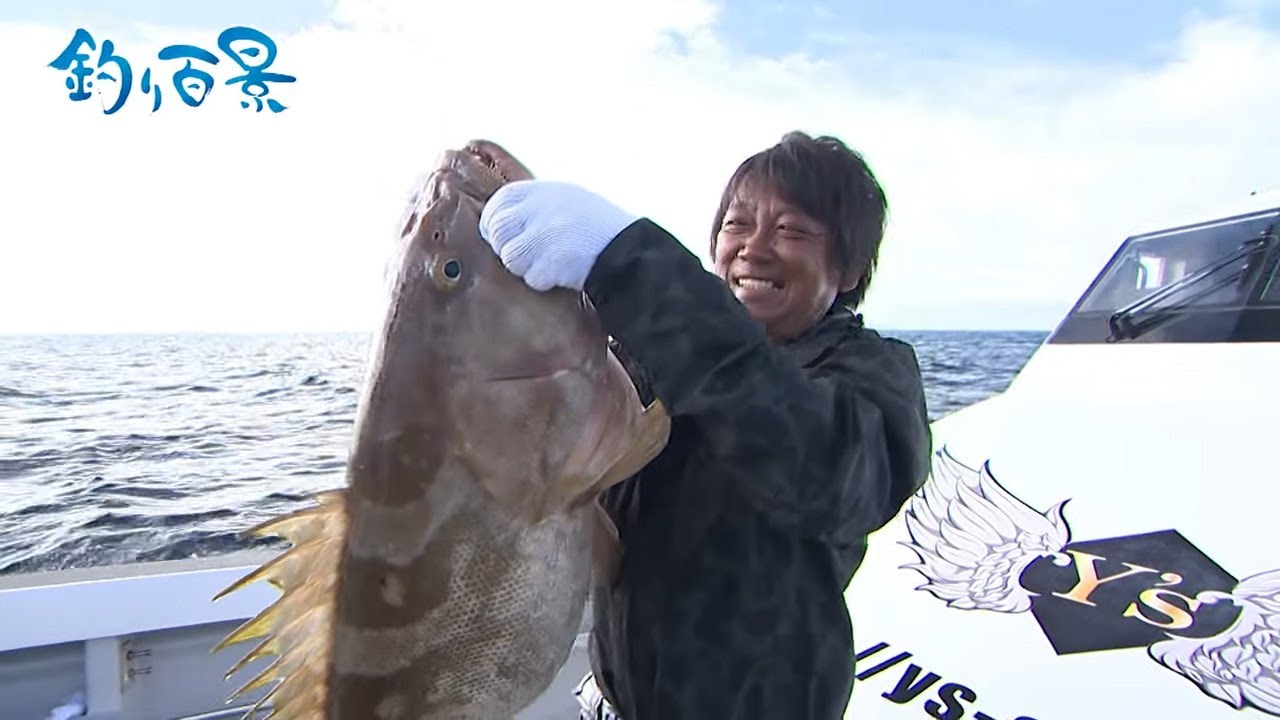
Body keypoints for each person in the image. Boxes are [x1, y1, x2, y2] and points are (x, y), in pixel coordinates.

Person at [479, 131, 933, 720]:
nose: (754, 249)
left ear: (848, 268)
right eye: (737, 226)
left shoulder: (873, 376)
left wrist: (626, 262)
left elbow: (823, 475)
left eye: (791, 231)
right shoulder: (659, 356)